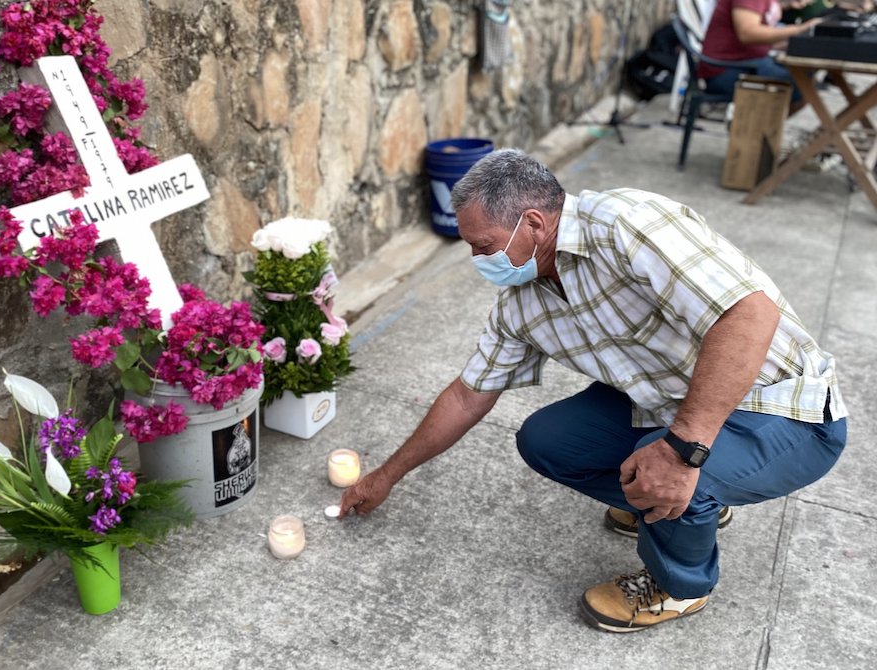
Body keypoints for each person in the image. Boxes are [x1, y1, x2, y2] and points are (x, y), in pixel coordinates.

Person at [338, 149, 847, 633]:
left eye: (484, 246)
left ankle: (681, 585)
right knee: (547, 439)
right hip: (672, 401)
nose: (477, 260)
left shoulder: (628, 224)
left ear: (534, 224)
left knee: (667, 461)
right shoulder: (522, 301)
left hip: (783, 409)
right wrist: (387, 475)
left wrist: (681, 454)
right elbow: (467, 396)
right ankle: (685, 500)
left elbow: (750, 314)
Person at [699, 0, 823, 109]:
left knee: (806, 79)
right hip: (726, 70)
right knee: (803, 83)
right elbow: (747, 33)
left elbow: (757, 41)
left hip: (741, 64)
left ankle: (755, 131)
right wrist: (799, 29)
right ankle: (754, 132)